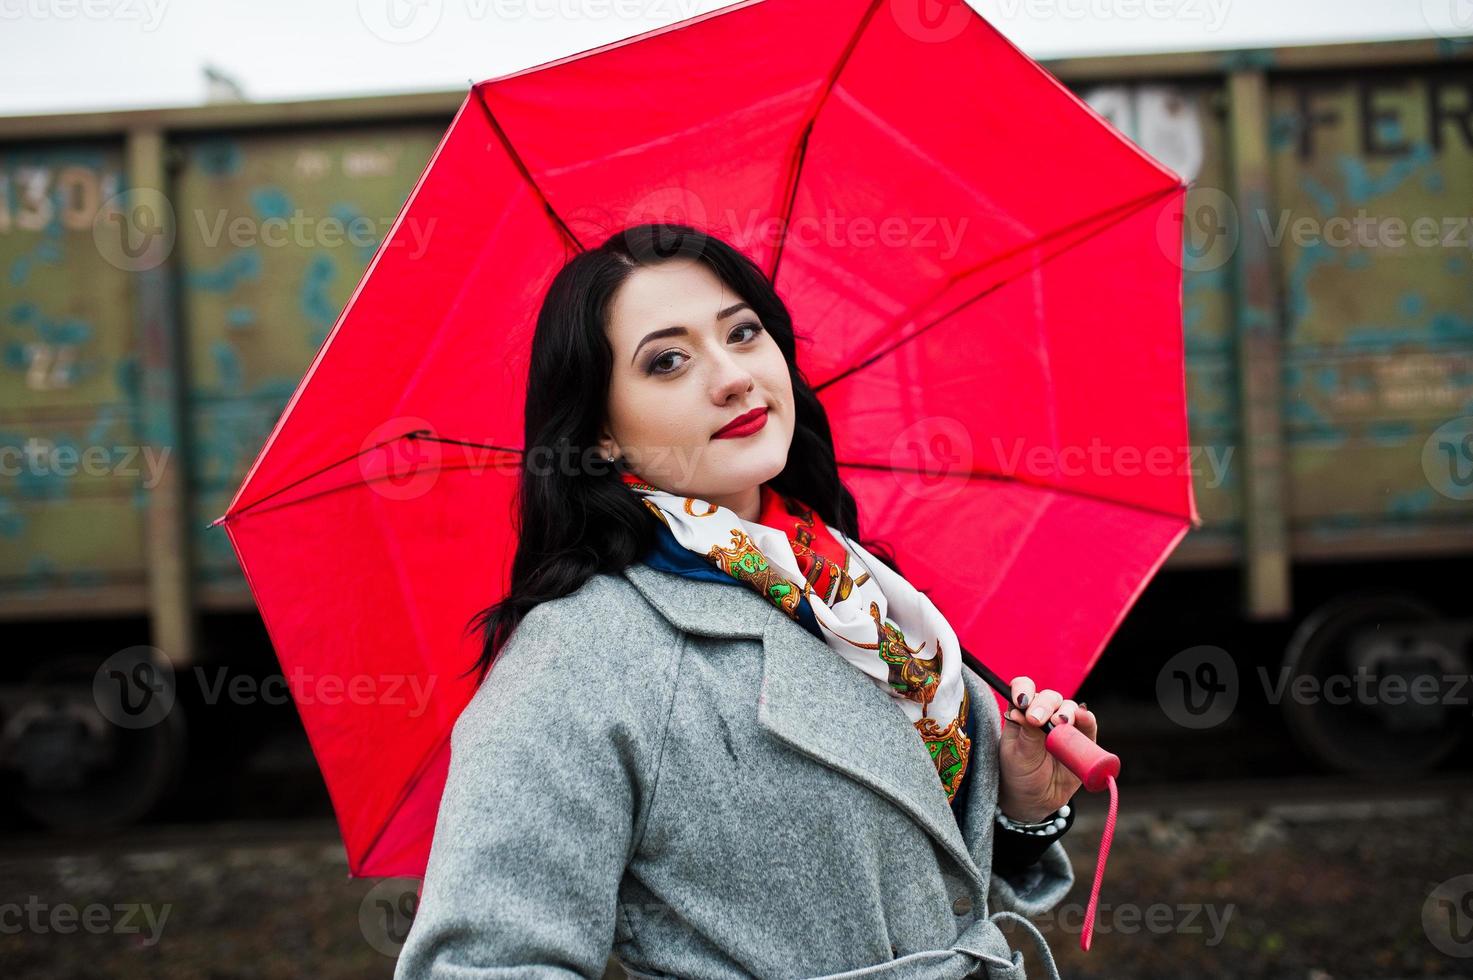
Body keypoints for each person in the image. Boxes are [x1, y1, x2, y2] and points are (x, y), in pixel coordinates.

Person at [393, 223, 1100, 979]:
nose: (732, 377)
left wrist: (1020, 809)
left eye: (743, 332)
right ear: (599, 433)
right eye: (667, 360)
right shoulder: (582, 656)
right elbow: (480, 965)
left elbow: (923, 888)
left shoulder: (853, 589)